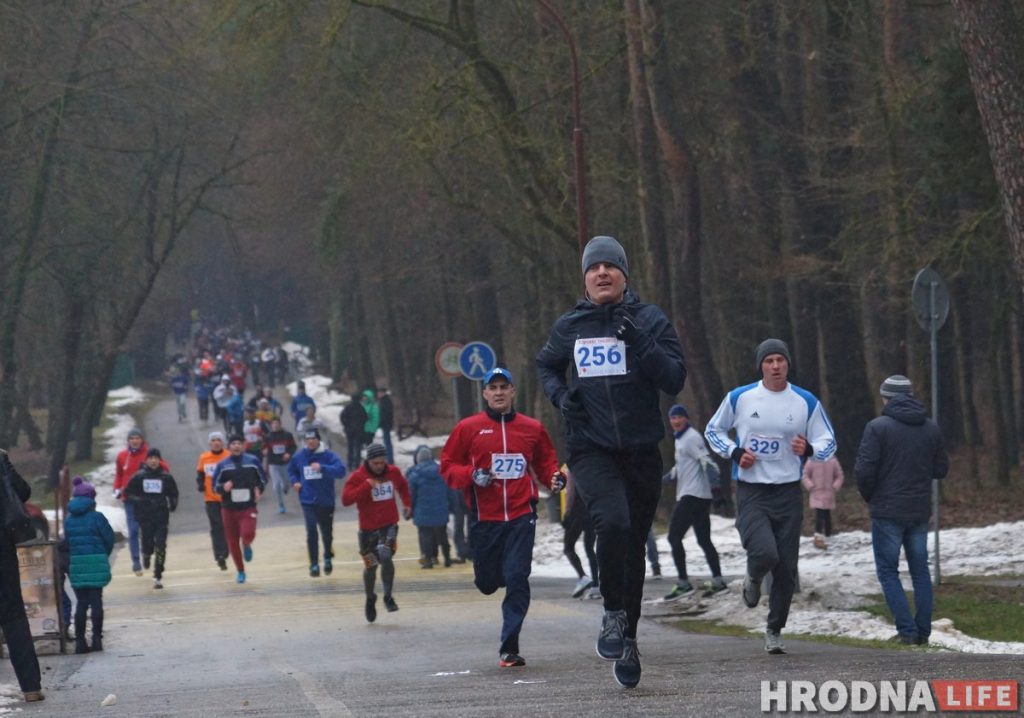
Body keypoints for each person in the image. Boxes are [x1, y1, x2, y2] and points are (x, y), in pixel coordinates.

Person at [536, 235, 686, 688]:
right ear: (585, 278)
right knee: (613, 524)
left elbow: (674, 378)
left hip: (641, 451)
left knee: (634, 547)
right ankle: (611, 614)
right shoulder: (571, 326)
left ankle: (630, 636)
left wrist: (639, 340)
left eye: (610, 267)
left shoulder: (650, 320)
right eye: (594, 268)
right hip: (590, 448)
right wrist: (562, 396)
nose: (602, 273)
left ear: (624, 274)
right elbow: (545, 365)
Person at [705, 338, 836, 655]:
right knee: (765, 553)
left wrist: (810, 450)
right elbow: (713, 431)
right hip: (752, 491)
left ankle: (774, 629)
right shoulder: (741, 398)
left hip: (789, 492)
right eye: (769, 361)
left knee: (786, 568)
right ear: (761, 365)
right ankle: (752, 576)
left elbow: (828, 440)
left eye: (780, 360)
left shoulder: (805, 401)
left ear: (787, 364)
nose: (776, 366)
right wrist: (735, 452)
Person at [441, 368, 564, 668]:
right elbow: (447, 466)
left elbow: (546, 461)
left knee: (517, 577)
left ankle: (510, 647)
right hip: (485, 518)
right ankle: (491, 577)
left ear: (512, 392)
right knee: (487, 582)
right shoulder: (469, 428)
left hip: (522, 514)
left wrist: (554, 478)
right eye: (492, 388)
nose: (498, 392)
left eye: (503, 387)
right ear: (484, 393)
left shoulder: (532, 428)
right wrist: (472, 474)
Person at [854, 374, 948, 646]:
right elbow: (941, 468)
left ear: (886, 398)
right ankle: (923, 632)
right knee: (921, 572)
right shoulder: (931, 428)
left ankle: (906, 631)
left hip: (886, 510)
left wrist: (871, 496)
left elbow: (864, 470)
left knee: (888, 571)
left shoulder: (877, 427)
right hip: (918, 511)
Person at [661, 405, 726, 600]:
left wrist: (717, 491)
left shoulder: (691, 438)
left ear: (687, 419)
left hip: (693, 496)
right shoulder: (681, 440)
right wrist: (659, 483)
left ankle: (683, 583)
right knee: (704, 540)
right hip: (696, 496)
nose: (676, 421)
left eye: (680, 417)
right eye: (673, 418)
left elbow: (709, 464)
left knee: (673, 537)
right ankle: (718, 581)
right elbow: (679, 470)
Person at [341, 443, 412, 623]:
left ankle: (388, 596)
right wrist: (366, 486)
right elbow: (346, 500)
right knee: (371, 566)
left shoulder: (393, 472)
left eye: (382, 463)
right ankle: (370, 597)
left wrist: (407, 504)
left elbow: (403, 486)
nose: (379, 466)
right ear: (368, 461)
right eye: (375, 463)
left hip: (388, 525)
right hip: (367, 530)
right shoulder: (358, 476)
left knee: (386, 554)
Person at [0, 450, 44, 702]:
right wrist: (6, 464)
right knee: (14, 616)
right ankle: (30, 687)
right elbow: (23, 492)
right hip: (2, 551)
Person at [65, 477, 114, 654]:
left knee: (81, 603)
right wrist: (103, 554)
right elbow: (109, 539)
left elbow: (68, 543)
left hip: (77, 563)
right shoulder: (97, 517)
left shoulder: (69, 520)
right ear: (91, 499)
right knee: (96, 601)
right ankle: (96, 639)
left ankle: (80, 642)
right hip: (96, 561)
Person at [288, 429, 345, 577]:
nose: (311, 442)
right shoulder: (300, 456)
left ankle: (327, 556)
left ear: (319, 440)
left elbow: (341, 471)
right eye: (308, 439)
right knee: (311, 531)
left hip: (325, 500)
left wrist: (323, 468)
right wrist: (295, 482)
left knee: (326, 532)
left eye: (314, 439)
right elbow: (292, 470)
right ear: (305, 441)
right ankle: (313, 564)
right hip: (307, 500)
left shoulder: (327, 455)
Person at [213, 435, 267, 584]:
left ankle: (247, 543)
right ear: (229, 447)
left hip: (248, 506)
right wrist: (223, 488)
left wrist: (258, 489)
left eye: (239, 443)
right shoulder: (223, 465)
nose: (236, 446)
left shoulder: (252, 461)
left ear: (243, 446)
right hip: (228, 508)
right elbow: (214, 486)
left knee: (248, 533)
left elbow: (263, 479)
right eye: (233, 444)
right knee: (232, 541)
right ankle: (240, 571)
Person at [113, 428, 167, 576]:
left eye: (137, 438)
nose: (135, 441)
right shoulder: (122, 456)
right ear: (128, 441)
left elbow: (164, 469)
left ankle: (146, 553)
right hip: (129, 499)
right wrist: (117, 488)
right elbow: (119, 474)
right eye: (132, 438)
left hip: (147, 500)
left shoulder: (149, 455)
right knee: (133, 530)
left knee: (147, 530)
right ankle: (136, 561)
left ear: (142, 440)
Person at [124, 448, 179, 589]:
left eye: (156, 458)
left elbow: (174, 493)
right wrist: (140, 500)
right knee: (148, 543)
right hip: (145, 517)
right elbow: (127, 493)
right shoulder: (139, 477)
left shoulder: (166, 477)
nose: (153, 461)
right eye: (151, 458)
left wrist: (173, 503)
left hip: (161, 517)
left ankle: (158, 574)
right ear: (146, 460)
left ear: (159, 460)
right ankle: (146, 554)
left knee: (161, 546)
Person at [406, 445, 451, 568]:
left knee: (425, 534)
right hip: (441, 508)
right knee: (442, 534)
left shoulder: (414, 474)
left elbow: (411, 495)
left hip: (422, 510)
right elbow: (450, 490)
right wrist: (451, 506)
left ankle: (428, 560)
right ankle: (447, 558)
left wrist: (410, 509)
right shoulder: (442, 471)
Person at [561, 465, 599, 599]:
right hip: (592, 511)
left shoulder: (572, 467)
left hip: (576, 512)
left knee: (568, 547)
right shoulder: (594, 466)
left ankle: (583, 576)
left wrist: (566, 513)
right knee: (590, 549)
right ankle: (596, 586)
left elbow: (570, 493)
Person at [195, 431, 230, 570]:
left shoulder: (228, 456)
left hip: (227, 497)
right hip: (211, 498)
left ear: (223, 442)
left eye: (219, 440)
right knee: (216, 527)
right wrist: (200, 484)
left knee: (228, 526)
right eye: (213, 440)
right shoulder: (204, 457)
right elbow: (200, 473)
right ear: (210, 443)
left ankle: (229, 548)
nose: (216, 442)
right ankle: (220, 555)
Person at [802, 455, 844, 550]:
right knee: (819, 514)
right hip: (816, 492)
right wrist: (810, 486)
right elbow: (805, 475)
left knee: (827, 515)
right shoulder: (812, 460)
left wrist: (835, 486)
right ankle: (818, 535)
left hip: (829, 493)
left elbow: (839, 475)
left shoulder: (833, 461)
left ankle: (828, 535)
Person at [263, 418, 297, 514]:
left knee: (286, 483)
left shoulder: (287, 435)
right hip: (273, 463)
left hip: (285, 463)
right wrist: (264, 451)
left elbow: (293, 447)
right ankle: (281, 505)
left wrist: (289, 454)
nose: (275, 425)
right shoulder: (268, 437)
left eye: (277, 423)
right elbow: (264, 447)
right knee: (276, 484)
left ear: (280, 424)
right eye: (273, 423)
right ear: (271, 426)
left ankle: (285, 487)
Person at [340, 397, 369, 472]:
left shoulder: (348, 407)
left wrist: (346, 425)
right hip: (359, 431)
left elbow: (342, 416)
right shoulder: (361, 408)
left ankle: (350, 463)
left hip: (349, 430)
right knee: (358, 447)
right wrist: (361, 425)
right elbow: (365, 418)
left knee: (350, 447)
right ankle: (357, 464)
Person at [377, 387, 395, 462]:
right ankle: (388, 457)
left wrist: (381, 421)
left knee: (387, 441)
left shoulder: (386, 401)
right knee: (386, 441)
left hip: (386, 424)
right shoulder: (383, 401)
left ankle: (390, 458)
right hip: (385, 423)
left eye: (380, 393)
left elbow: (386, 414)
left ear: (383, 393)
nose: (378, 394)